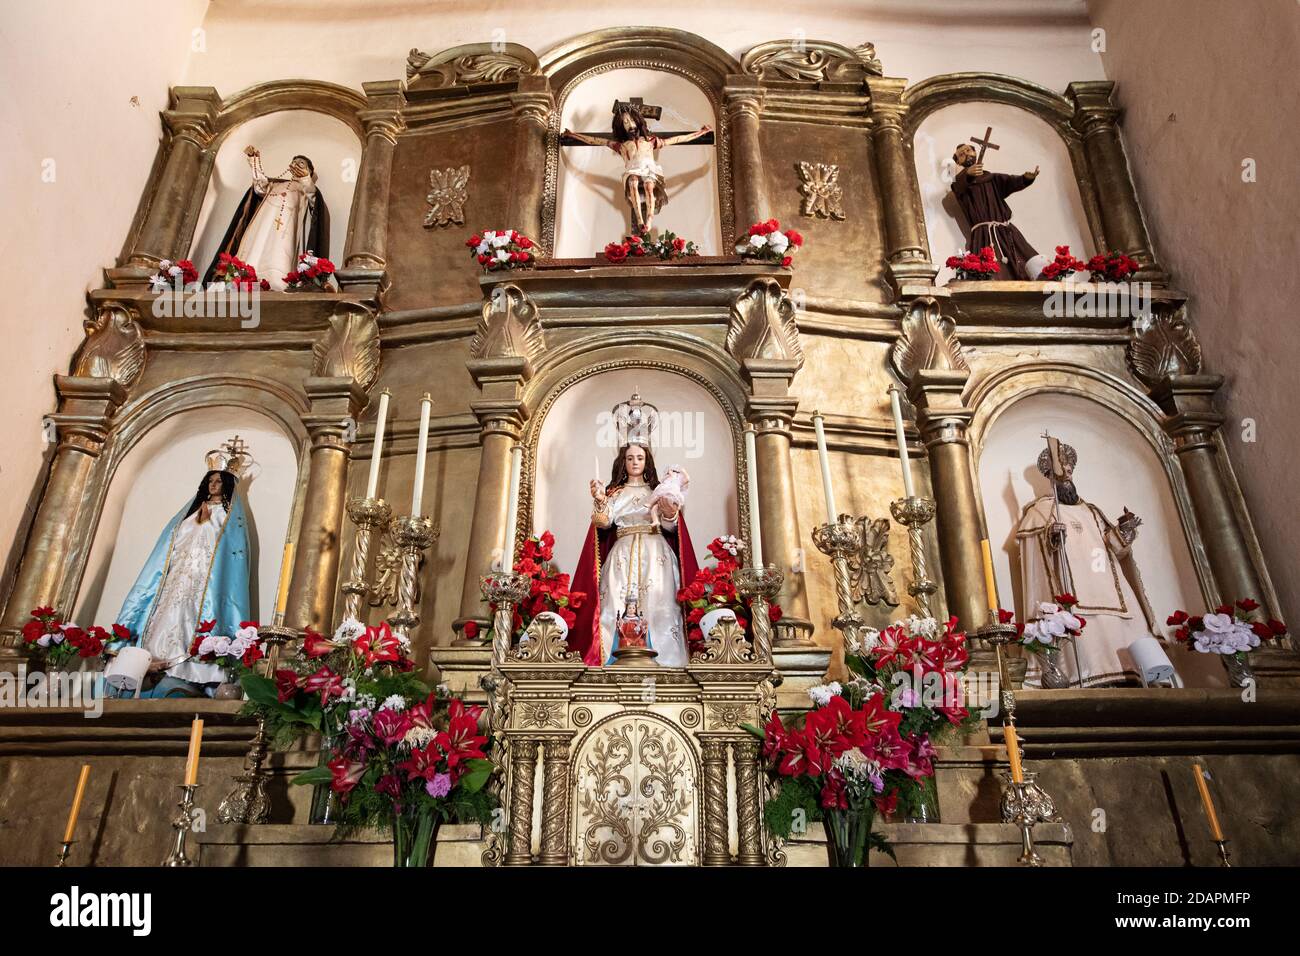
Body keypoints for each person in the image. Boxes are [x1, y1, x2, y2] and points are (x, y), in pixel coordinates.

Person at [115, 445, 254, 697]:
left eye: (218, 482)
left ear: (227, 486)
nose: (213, 485)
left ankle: (188, 671)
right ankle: (154, 664)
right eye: (210, 481)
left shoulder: (228, 516)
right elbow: (169, 546)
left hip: (204, 583)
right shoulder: (189, 515)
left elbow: (230, 555)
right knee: (166, 616)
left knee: (190, 619)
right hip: (176, 579)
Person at [569, 442, 700, 666]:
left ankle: (668, 663)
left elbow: (671, 529)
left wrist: (670, 513)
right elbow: (603, 523)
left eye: (639, 458)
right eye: (630, 458)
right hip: (623, 553)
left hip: (656, 553)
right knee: (616, 605)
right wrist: (600, 500)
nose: (635, 462)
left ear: (647, 461)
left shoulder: (658, 490)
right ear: (623, 462)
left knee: (661, 605)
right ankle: (614, 662)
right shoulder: (615, 493)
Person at [563, 104, 711, 234]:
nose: (629, 124)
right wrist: (573, 135)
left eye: (631, 120)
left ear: (637, 121)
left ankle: (649, 222)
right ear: (621, 125)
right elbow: (595, 140)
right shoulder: (621, 146)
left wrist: (701, 133)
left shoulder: (650, 141)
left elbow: (677, 139)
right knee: (633, 182)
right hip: (632, 169)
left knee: (648, 186)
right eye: (625, 122)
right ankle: (640, 221)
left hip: (649, 169)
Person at [204, 148, 329, 289]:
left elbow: (314, 201)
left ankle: (275, 280)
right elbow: (259, 187)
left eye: (301, 163)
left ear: (309, 171)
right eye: (294, 162)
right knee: (257, 243)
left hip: (286, 228)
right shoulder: (276, 184)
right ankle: (245, 276)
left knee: (280, 252)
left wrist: (305, 179)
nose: (296, 165)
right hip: (263, 222)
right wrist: (254, 160)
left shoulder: (306, 188)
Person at [950, 142, 1045, 280]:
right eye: (961, 155)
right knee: (991, 270)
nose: (966, 154)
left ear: (975, 153)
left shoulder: (992, 178)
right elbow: (959, 187)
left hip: (1005, 230)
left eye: (968, 150)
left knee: (1022, 258)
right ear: (958, 161)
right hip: (983, 234)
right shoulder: (959, 184)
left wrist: (1026, 178)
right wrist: (968, 175)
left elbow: (1011, 182)